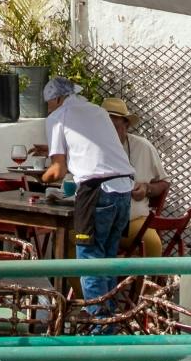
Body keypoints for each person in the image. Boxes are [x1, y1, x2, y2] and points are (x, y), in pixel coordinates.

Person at [43, 77, 134, 316]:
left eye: (48, 103)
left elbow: (58, 171)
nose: (48, 107)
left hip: (96, 192)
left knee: (90, 262)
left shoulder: (57, 117)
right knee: (107, 261)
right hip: (123, 191)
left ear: (57, 98)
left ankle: (100, 326)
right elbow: (95, 148)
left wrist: (40, 177)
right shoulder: (98, 111)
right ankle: (111, 321)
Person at [106, 97, 168, 255]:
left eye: (114, 125)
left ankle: (143, 280)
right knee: (75, 237)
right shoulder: (90, 148)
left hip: (132, 220)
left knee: (152, 245)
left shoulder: (143, 147)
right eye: (104, 125)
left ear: (126, 124)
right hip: (99, 221)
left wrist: (147, 188)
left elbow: (163, 183)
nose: (108, 131)